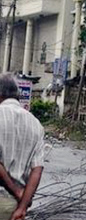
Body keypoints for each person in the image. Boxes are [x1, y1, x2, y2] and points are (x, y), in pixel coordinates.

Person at [0, 74, 45, 220]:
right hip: (13, 208)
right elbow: (37, 170)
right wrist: (22, 207)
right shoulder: (36, 124)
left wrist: (16, 190)